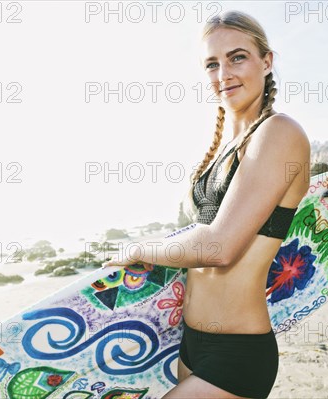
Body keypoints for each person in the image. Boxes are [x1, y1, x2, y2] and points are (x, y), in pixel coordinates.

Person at [102, 10, 310, 399]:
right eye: (212, 64)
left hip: (238, 354)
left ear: (266, 62)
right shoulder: (224, 147)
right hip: (192, 344)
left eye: (237, 57)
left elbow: (218, 246)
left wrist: (137, 249)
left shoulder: (279, 133)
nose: (224, 73)